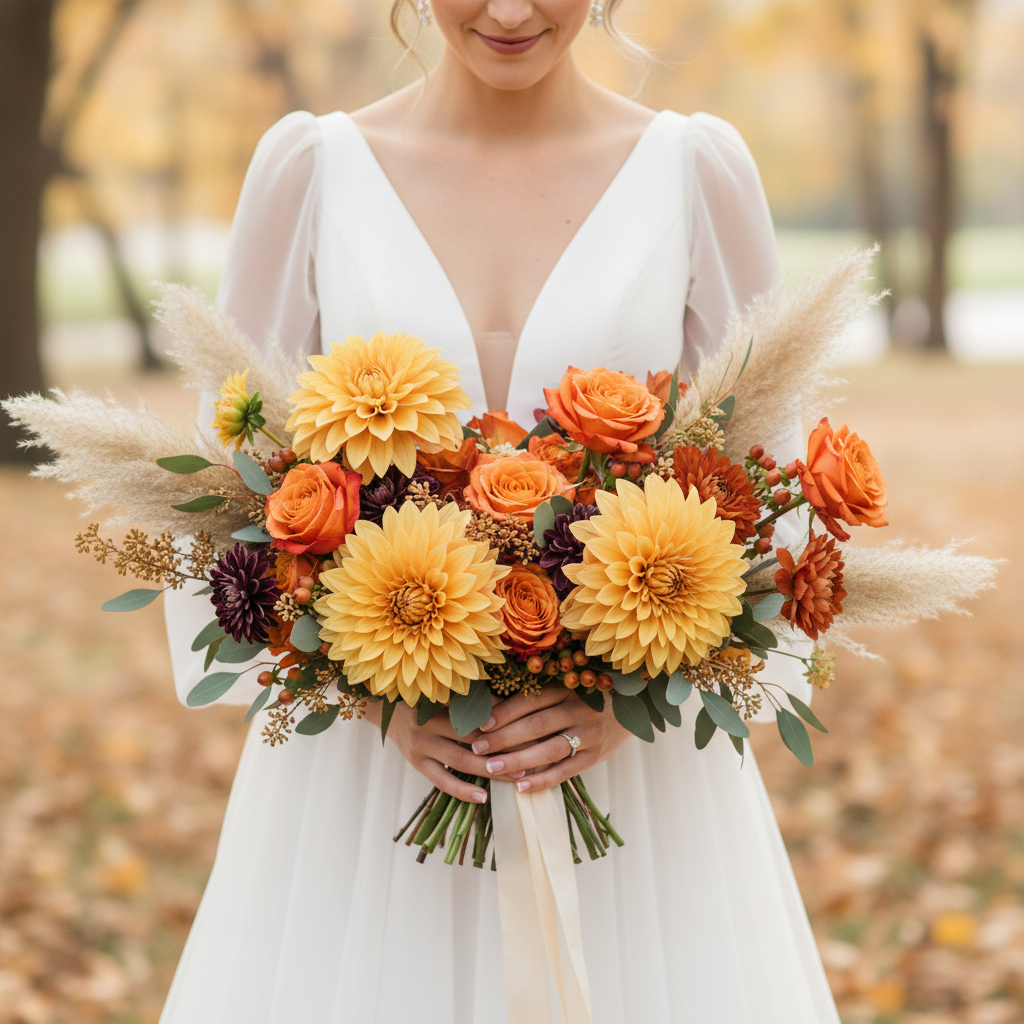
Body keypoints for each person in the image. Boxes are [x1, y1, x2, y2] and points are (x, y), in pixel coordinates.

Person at [160, 0, 841, 1020]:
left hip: (627, 780)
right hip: (375, 781)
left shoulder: (696, 174)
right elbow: (221, 487)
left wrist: (628, 694)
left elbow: (780, 491)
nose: (512, 10)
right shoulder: (309, 173)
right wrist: (375, 691)